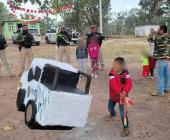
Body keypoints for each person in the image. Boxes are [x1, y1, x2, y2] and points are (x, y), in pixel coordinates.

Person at [108, 57, 132, 137]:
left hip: (123, 97)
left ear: (121, 66)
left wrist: (125, 91)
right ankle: (113, 113)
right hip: (113, 96)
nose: (113, 66)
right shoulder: (111, 73)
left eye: (115, 64)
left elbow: (129, 83)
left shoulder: (126, 73)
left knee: (123, 114)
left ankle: (126, 127)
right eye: (113, 64)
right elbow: (113, 84)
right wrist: (119, 92)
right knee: (110, 108)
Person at [151, 25, 170, 96]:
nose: (158, 30)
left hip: (160, 60)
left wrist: (154, 33)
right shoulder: (167, 36)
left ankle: (160, 92)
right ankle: (166, 89)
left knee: (160, 76)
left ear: (162, 30)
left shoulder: (157, 38)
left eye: (159, 29)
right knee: (166, 75)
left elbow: (149, 39)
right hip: (167, 60)